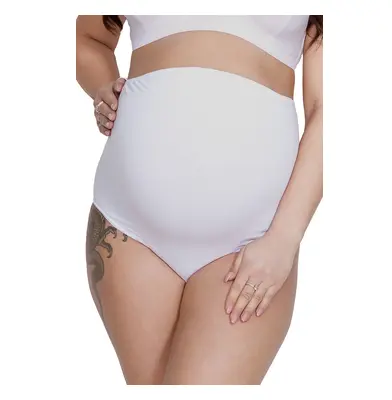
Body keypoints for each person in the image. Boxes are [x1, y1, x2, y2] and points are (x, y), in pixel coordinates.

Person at [76, 15, 323, 385]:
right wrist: (103, 89)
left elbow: (329, 110)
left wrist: (284, 240)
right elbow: (86, 40)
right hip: (130, 231)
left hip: (250, 244)